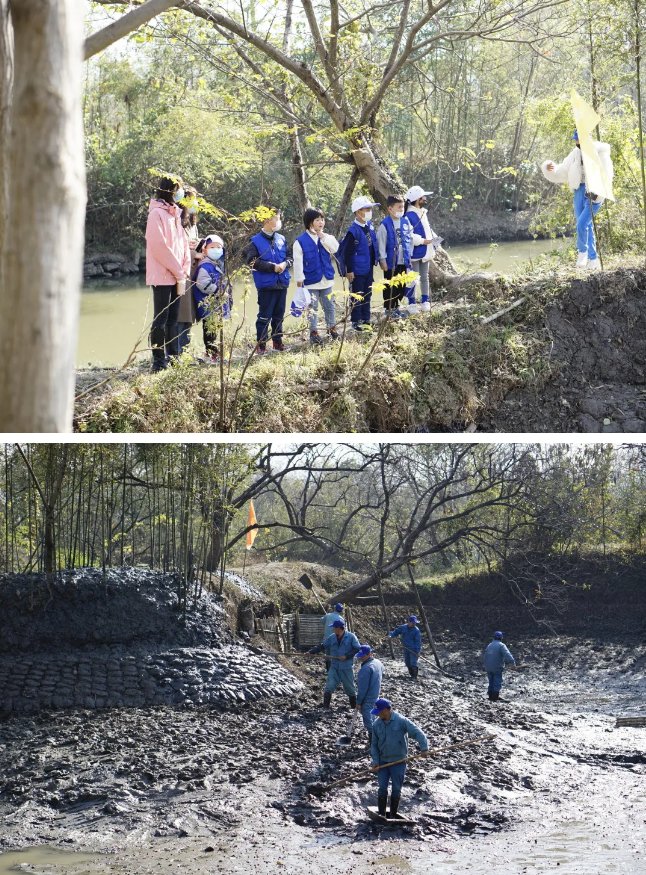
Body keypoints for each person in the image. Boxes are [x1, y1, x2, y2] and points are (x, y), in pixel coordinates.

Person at [541, 131, 613, 270]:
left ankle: (582, 252)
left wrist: (598, 191)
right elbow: (562, 171)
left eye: (579, 139)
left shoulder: (600, 151)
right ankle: (593, 260)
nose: (576, 142)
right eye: (575, 140)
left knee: (581, 223)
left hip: (595, 192)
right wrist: (549, 168)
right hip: (579, 190)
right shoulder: (575, 153)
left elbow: (607, 174)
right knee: (586, 225)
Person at [145, 176, 191, 372]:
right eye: (177, 189)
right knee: (161, 319)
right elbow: (158, 246)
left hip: (178, 275)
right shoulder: (156, 214)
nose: (180, 192)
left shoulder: (176, 214)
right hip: (162, 275)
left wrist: (184, 271)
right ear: (168, 190)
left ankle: (173, 356)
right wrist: (178, 270)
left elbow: (183, 246)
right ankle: (158, 360)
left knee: (174, 318)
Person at [243, 208, 292, 355]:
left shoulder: (282, 239)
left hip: (282, 283)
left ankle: (278, 343)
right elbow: (251, 262)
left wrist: (284, 265)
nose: (279, 221)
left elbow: (290, 257)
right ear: (266, 220)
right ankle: (261, 346)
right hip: (266, 286)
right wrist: (272, 267)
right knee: (264, 317)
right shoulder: (254, 241)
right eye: (276, 218)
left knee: (279, 315)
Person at [370, 698, 429, 819]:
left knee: (396, 788)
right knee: (382, 788)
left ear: (387, 710)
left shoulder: (401, 721)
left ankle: (392, 814)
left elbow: (418, 733)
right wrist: (375, 762)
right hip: (383, 762)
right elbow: (374, 745)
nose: (379, 715)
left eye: (380, 712)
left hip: (399, 762)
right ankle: (381, 814)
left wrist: (424, 748)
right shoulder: (376, 724)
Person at [293, 208, 340, 343]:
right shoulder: (300, 241)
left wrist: (323, 237)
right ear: (309, 222)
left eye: (322, 219)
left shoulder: (327, 237)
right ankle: (314, 333)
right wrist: (299, 280)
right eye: (317, 220)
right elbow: (298, 262)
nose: (321, 222)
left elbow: (336, 249)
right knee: (312, 308)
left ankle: (332, 329)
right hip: (310, 281)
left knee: (329, 306)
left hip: (326, 279)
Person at [342, 195, 380, 332]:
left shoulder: (369, 226)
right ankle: (356, 321)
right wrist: (349, 270)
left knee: (367, 294)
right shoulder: (353, 231)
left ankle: (366, 319)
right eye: (367, 209)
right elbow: (347, 253)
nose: (370, 211)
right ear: (358, 212)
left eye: (370, 209)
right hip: (357, 269)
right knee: (357, 295)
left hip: (368, 267)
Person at [192, 233, 232, 364]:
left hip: (218, 305)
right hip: (208, 305)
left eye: (219, 247)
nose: (216, 249)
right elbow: (202, 283)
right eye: (212, 247)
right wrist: (218, 291)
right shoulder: (205, 265)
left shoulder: (217, 265)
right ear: (205, 249)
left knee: (218, 329)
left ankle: (217, 353)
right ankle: (211, 354)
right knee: (210, 331)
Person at [404, 185, 442, 313]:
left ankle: (425, 300)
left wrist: (435, 239)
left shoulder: (423, 212)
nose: (425, 199)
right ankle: (411, 303)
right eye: (423, 197)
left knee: (424, 276)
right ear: (417, 199)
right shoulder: (409, 215)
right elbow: (409, 234)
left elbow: (428, 229)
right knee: (412, 278)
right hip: (414, 252)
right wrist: (423, 241)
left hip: (426, 251)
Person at [307, 618, 361, 708]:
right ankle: (325, 708)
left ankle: (353, 708)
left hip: (346, 667)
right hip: (335, 666)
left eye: (334, 628)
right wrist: (311, 652)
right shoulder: (332, 637)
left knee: (350, 688)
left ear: (339, 628)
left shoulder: (351, 637)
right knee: (329, 686)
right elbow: (322, 646)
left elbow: (357, 648)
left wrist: (346, 656)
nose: (333, 629)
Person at [377, 195, 414, 319]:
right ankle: (389, 309)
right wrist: (382, 260)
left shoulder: (405, 221)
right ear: (390, 209)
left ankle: (396, 307)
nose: (401, 210)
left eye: (402, 207)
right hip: (391, 262)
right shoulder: (385, 224)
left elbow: (410, 240)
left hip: (404, 260)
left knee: (401, 287)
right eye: (398, 207)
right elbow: (381, 243)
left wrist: (409, 257)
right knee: (390, 287)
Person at [176, 186, 200, 355]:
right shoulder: (177, 222)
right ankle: (176, 351)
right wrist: (193, 252)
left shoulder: (192, 223)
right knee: (181, 314)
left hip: (194, 273)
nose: (195, 203)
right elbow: (177, 248)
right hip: (182, 273)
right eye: (191, 199)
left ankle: (185, 351)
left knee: (190, 313)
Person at [355, 645, 384, 745]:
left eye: (362, 656)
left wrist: (358, 702)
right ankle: (378, 735)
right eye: (360, 655)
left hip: (368, 697)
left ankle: (374, 738)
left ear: (369, 654)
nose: (360, 657)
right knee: (374, 716)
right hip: (376, 694)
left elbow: (362, 689)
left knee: (367, 718)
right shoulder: (378, 663)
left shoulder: (366, 669)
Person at [482, 630, 516, 701]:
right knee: (497, 681)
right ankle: (495, 696)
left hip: (488, 667)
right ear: (501, 638)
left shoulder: (489, 645)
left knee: (491, 680)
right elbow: (507, 654)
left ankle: (490, 695)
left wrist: (485, 665)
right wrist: (512, 663)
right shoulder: (501, 645)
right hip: (497, 667)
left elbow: (485, 656)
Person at [388, 615, 422, 680]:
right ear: (409, 622)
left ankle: (414, 677)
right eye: (413, 623)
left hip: (413, 649)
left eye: (415, 623)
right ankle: (411, 675)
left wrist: (417, 651)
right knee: (407, 662)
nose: (414, 624)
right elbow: (396, 632)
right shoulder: (403, 627)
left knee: (413, 662)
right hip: (406, 648)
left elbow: (418, 642)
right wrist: (391, 635)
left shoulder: (416, 631)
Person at [320, 602, 344, 671]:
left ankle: (328, 670)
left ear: (334, 609)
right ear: (341, 611)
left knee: (327, 655)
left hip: (326, 639)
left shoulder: (328, 615)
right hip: (336, 640)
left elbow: (321, 621)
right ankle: (334, 670)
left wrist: (325, 616)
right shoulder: (341, 619)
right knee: (334, 655)